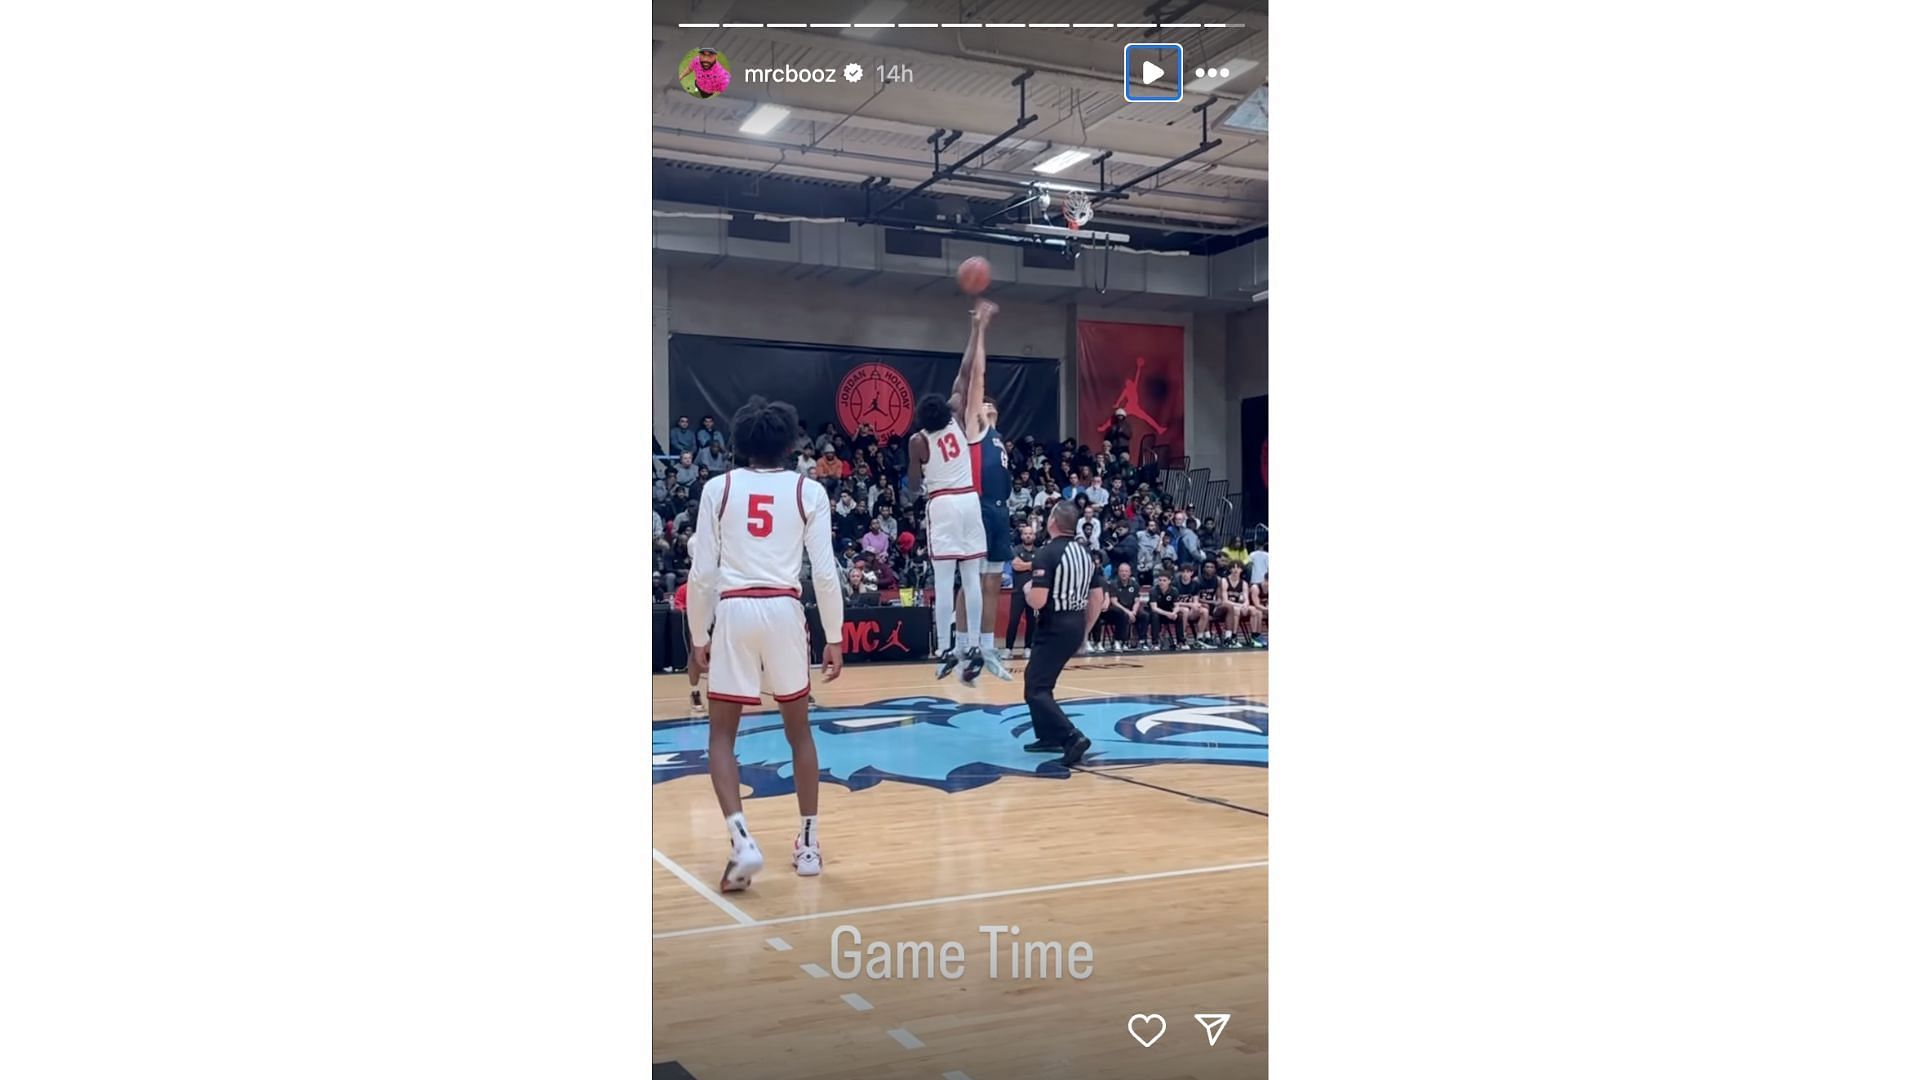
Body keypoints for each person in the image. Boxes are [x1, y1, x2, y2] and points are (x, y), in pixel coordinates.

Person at [686, 396, 845, 893]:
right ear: (791, 444)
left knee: (720, 738)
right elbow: (824, 571)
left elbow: (703, 573)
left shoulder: (719, 487)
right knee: (800, 733)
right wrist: (835, 635)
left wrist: (697, 633)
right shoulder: (808, 491)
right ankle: (810, 844)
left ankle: (741, 843)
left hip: (733, 608)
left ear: (738, 445)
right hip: (783, 608)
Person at [907, 298, 1010, 685]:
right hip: (969, 500)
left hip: (943, 504)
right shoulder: (956, 419)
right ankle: (975, 648)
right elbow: (967, 372)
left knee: (943, 579)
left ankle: (947, 647)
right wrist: (976, 329)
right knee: (972, 577)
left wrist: (917, 471)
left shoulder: (918, 440)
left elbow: (915, 486)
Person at [1020, 500, 1101, 765]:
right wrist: (1084, 633)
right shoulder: (1085, 553)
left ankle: (1070, 736)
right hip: (1075, 623)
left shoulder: (1047, 553)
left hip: (1054, 625)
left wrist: (1026, 591)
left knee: (1036, 688)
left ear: (1053, 521)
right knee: (1040, 681)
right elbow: (1098, 597)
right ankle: (1048, 736)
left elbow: (1038, 600)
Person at [1005, 522, 1040, 658]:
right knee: (1013, 620)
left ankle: (1028, 647)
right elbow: (1015, 566)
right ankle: (1008, 648)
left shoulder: (1039, 551)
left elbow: (1038, 567)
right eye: (1025, 533)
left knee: (1032, 620)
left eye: (1030, 533)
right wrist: (1030, 565)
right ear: (1021, 535)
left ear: (1034, 536)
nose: (1028, 536)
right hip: (1018, 591)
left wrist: (1024, 564)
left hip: (1033, 591)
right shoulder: (1015, 549)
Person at [1096, 562, 1143, 652]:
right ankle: (1119, 641)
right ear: (1118, 572)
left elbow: (1137, 601)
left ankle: (1142, 641)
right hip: (1117, 610)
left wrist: (1133, 611)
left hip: (1130, 609)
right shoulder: (1113, 584)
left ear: (1130, 573)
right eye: (1122, 571)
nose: (1124, 573)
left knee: (1144, 615)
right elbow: (1114, 602)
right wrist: (1128, 612)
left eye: (1126, 571)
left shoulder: (1135, 584)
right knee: (1121, 614)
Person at [1217, 562, 1256, 647]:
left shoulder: (1244, 583)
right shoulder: (1224, 580)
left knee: (1253, 610)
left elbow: (1246, 599)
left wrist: (1246, 604)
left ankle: (1254, 636)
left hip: (1239, 606)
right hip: (1228, 607)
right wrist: (1241, 606)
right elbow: (1225, 600)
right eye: (1233, 567)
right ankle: (1233, 636)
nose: (1235, 570)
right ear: (1230, 569)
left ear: (1241, 570)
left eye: (1238, 567)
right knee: (1236, 610)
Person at [1146, 570, 1186, 651]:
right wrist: (1168, 614)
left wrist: (1173, 613)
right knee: (1155, 616)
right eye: (1160, 580)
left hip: (1168, 613)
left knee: (1180, 615)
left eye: (1164, 580)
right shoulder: (1153, 591)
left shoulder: (1174, 591)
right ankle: (1155, 643)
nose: (1161, 582)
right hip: (1157, 614)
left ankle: (1181, 642)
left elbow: (1177, 606)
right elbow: (1154, 608)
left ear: (1169, 581)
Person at [1173, 564, 1209, 648]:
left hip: (1190, 610)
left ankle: (1199, 638)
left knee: (1204, 611)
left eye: (1187, 572)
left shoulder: (1195, 584)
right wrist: (1190, 604)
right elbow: (1175, 603)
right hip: (1177, 610)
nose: (1185, 574)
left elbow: (1195, 600)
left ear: (1192, 573)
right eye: (1183, 572)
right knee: (1185, 610)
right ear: (1180, 573)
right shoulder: (1175, 584)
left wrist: (1196, 606)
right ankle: (1182, 637)